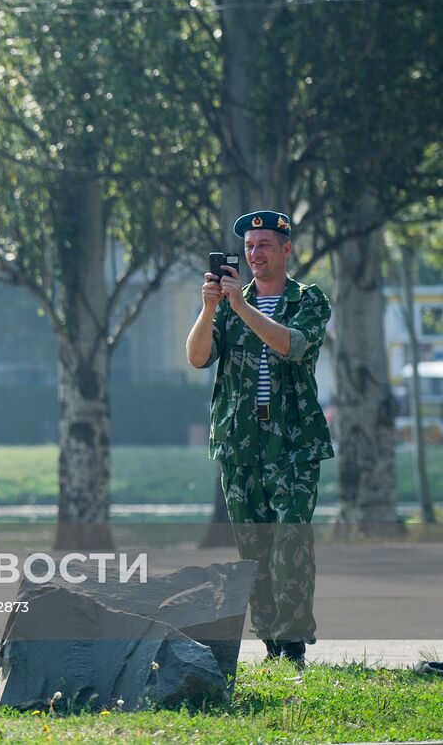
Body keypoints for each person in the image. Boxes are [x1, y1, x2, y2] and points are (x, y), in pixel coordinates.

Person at [185, 210, 334, 667]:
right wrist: (210, 308)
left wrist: (240, 308)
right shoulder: (227, 305)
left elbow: (292, 346)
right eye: (249, 247)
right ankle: (271, 643)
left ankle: (292, 643)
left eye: (264, 245)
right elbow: (196, 358)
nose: (254, 254)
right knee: (254, 550)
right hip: (239, 441)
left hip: (292, 441)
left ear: (286, 249)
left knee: (290, 539)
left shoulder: (308, 300)